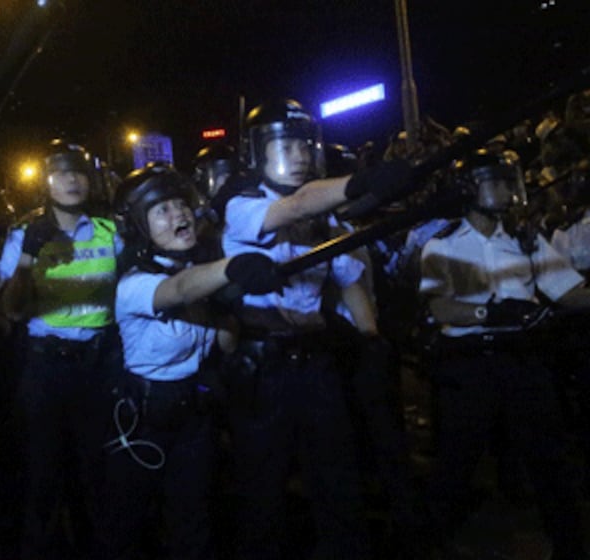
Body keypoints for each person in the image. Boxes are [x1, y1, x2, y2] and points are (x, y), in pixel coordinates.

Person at [219, 98, 414, 559]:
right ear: (258, 153)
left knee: (337, 480)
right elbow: (294, 207)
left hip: (316, 363)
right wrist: (362, 182)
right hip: (262, 368)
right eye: (285, 145)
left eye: (305, 145)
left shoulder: (326, 218)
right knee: (262, 490)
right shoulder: (242, 206)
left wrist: (371, 341)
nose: (300, 155)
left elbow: (349, 283)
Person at [93, 162, 283, 559]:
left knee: (193, 518)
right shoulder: (134, 284)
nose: (178, 213)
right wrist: (231, 270)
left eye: (181, 204)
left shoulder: (200, 272)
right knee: (125, 523)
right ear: (139, 228)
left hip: (194, 415)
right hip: (143, 419)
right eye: (161, 209)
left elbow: (227, 345)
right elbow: (176, 291)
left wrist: (225, 308)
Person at [419, 148, 590, 560]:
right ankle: (429, 540)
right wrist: (488, 312)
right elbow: (439, 306)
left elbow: (568, 292)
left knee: (549, 459)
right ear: (468, 189)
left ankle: (569, 545)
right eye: (493, 181)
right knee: (458, 461)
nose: (505, 190)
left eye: (506, 180)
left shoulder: (526, 240)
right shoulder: (441, 246)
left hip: (521, 358)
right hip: (469, 362)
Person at [0, 138, 122, 559]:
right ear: (45, 183)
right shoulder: (24, 233)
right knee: (43, 473)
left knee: (97, 469)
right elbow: (11, 310)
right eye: (61, 172)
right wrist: (28, 258)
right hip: (46, 368)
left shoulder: (111, 230)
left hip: (99, 364)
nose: (71, 180)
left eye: (79, 172)